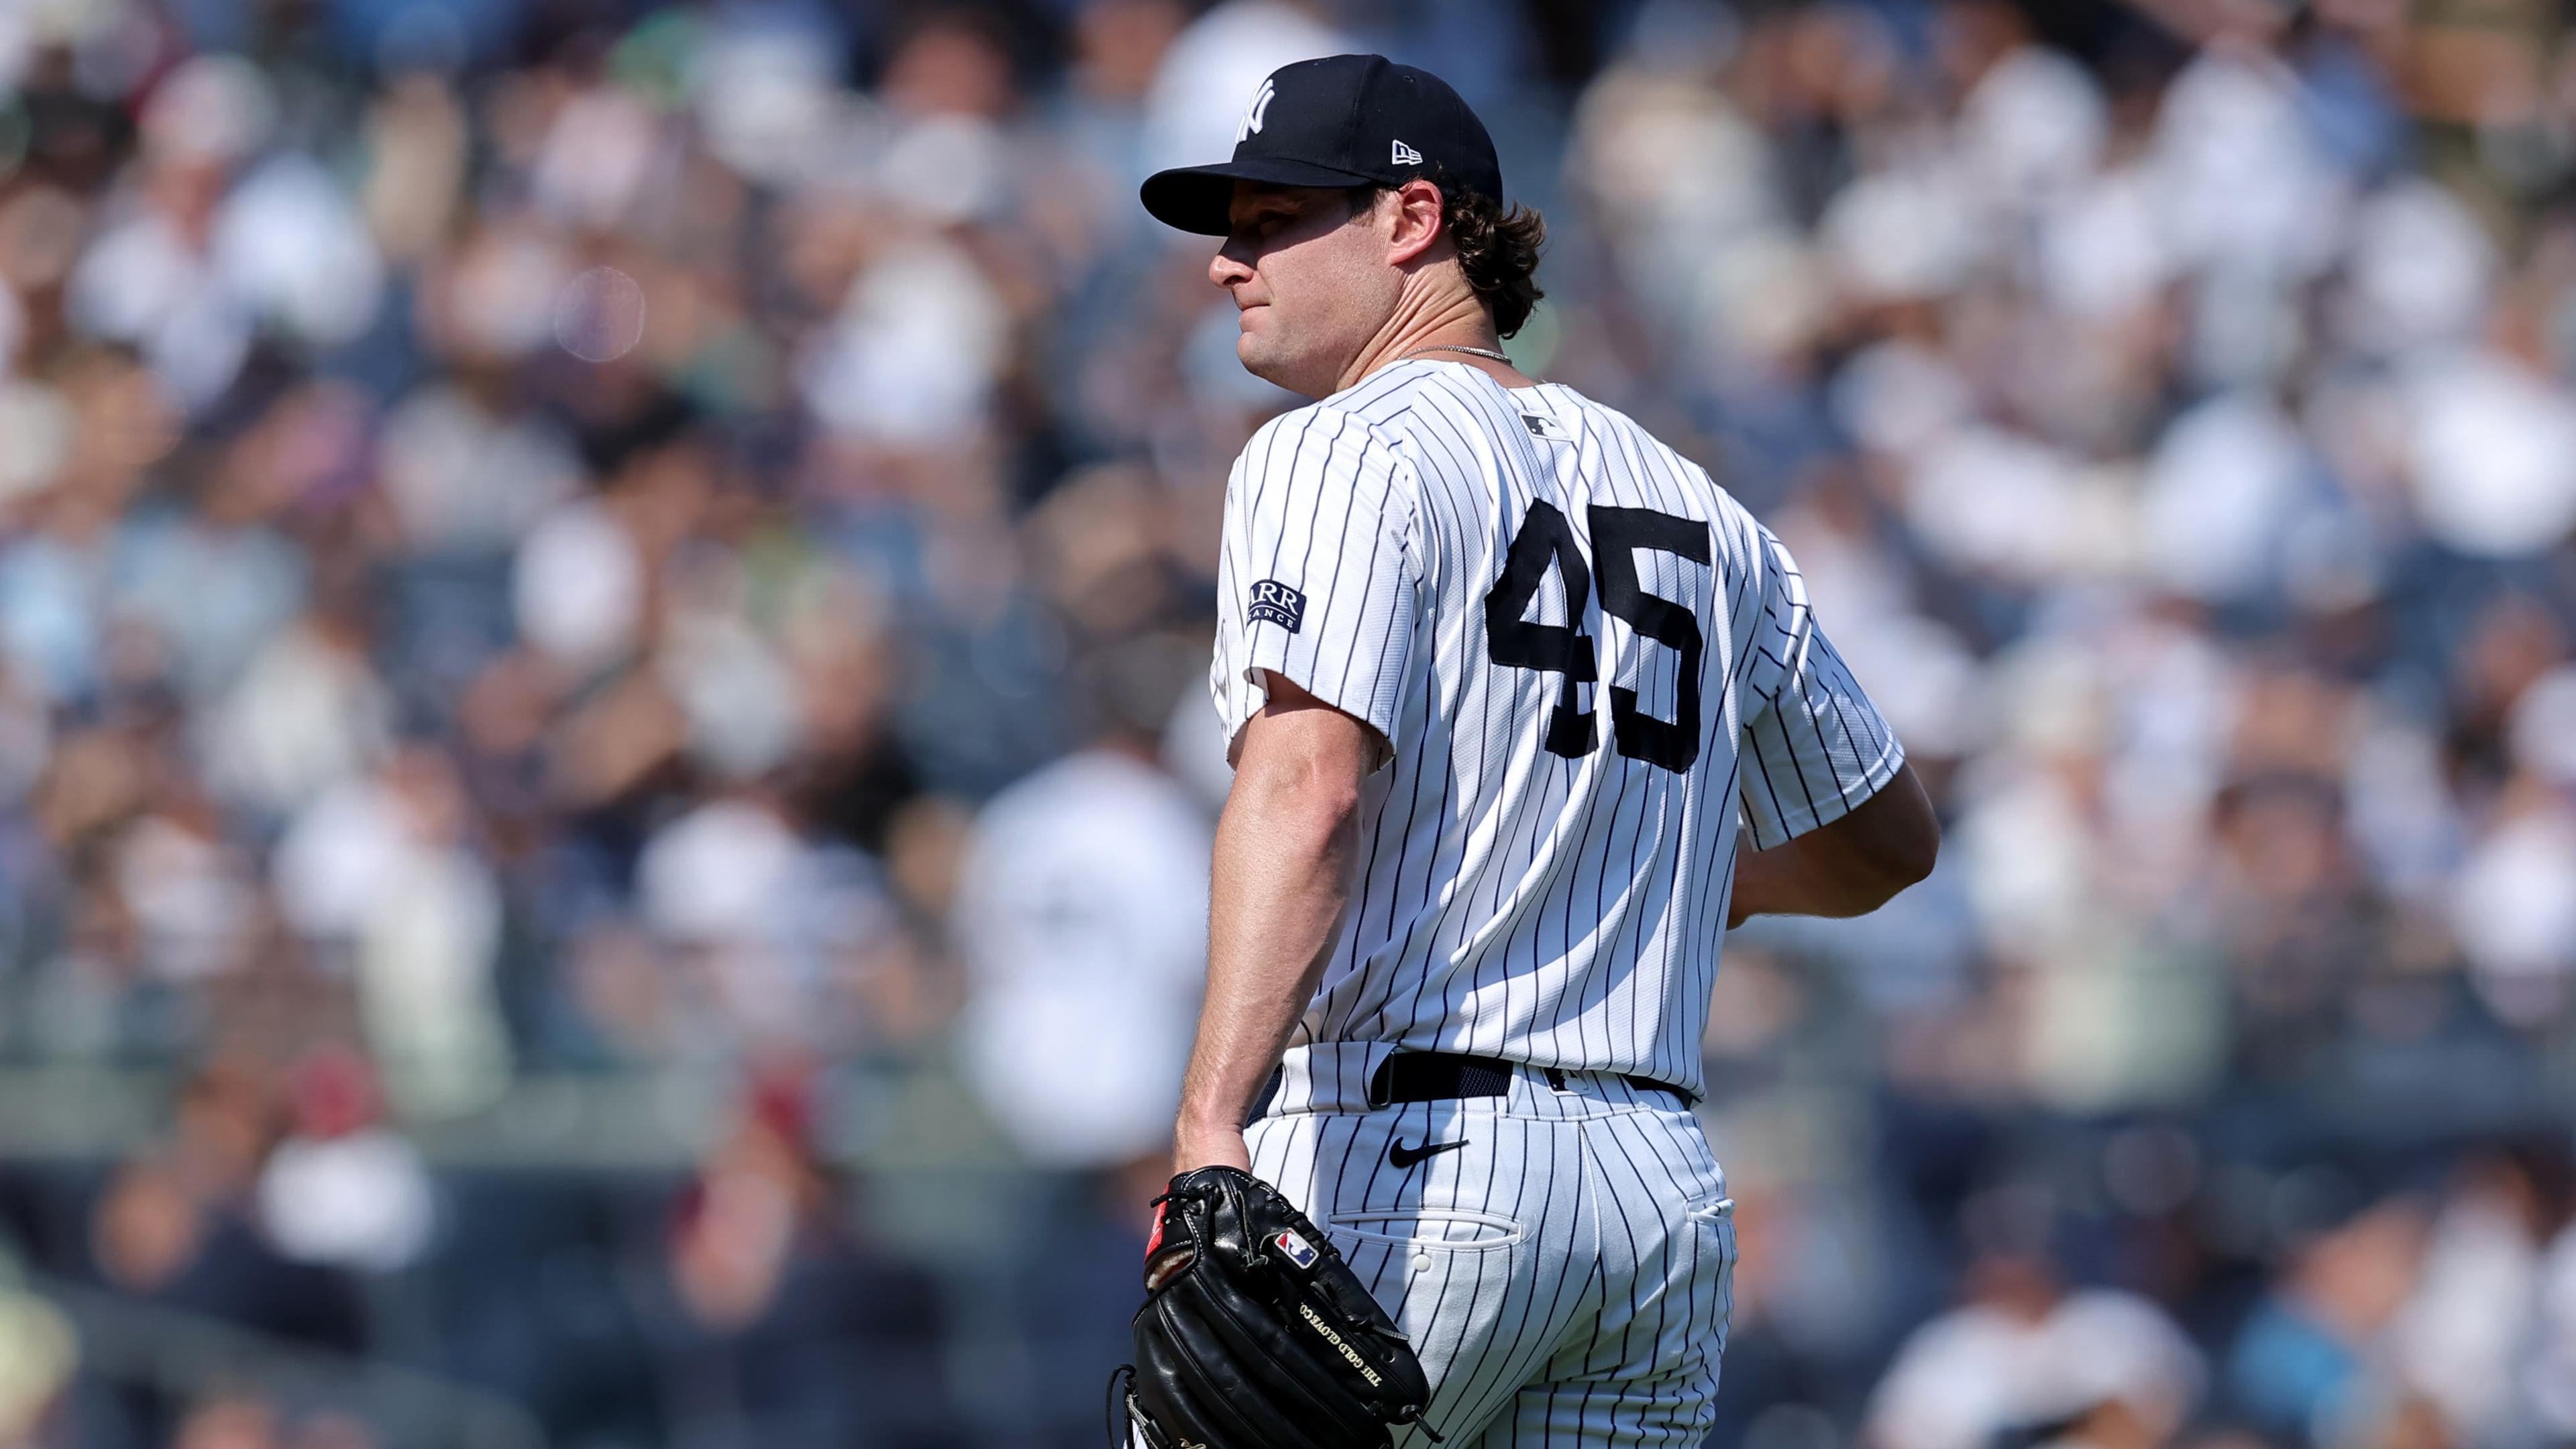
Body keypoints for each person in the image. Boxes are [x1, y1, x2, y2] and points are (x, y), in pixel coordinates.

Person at [1139, 53, 1941, 1444]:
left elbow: (1309, 785)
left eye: (1274, 221)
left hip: (1411, 1160)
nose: (1226, 262)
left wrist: (1213, 1121)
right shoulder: (1702, 508)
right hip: (1656, 1195)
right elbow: (1886, 841)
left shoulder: (1337, 449)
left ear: (1410, 222)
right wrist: (1711, 885)